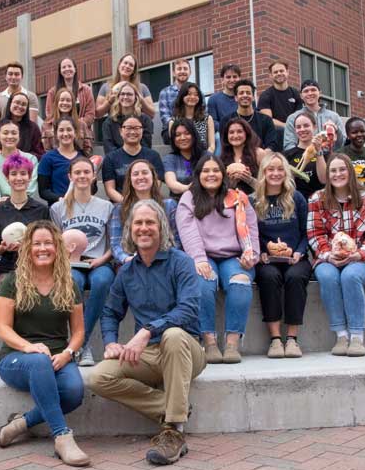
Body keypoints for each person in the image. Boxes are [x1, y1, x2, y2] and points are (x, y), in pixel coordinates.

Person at [88, 199, 205, 465]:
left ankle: (173, 431)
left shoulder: (181, 262)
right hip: (149, 355)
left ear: (161, 228)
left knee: (172, 335)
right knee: (99, 377)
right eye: (138, 223)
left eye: (150, 222)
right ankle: (172, 407)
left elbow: (188, 310)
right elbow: (110, 312)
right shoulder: (127, 271)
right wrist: (110, 342)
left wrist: (145, 332)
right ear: (130, 230)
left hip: (185, 351)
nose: (143, 228)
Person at [0, 221, 89, 466]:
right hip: (16, 357)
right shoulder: (13, 281)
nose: (42, 248)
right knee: (38, 360)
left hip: (58, 356)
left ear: (57, 247)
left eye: (48, 243)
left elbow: (78, 331)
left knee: (74, 393)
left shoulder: (69, 282)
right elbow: (3, 329)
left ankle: (21, 423)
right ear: (27, 248)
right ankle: (62, 437)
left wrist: (68, 353)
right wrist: (29, 347)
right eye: (37, 243)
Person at [176, 154, 260, 364]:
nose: (211, 174)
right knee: (203, 281)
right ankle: (209, 342)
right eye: (206, 171)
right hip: (203, 256)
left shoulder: (238, 197)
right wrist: (198, 259)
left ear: (223, 174)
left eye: (215, 170)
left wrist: (252, 255)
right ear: (198, 175)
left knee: (240, 282)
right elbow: (188, 231)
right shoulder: (189, 198)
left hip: (234, 255)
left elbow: (250, 228)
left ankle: (232, 343)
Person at [307, 154, 365, 357]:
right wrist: (327, 255)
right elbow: (315, 234)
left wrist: (359, 254)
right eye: (333, 170)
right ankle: (341, 335)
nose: (337, 174)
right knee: (327, 276)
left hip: (362, 258)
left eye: (342, 169)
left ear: (350, 171)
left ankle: (357, 336)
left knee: (350, 276)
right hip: (328, 257)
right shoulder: (317, 199)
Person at [50, 157, 114, 367]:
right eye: (77, 172)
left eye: (86, 172)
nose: (82, 176)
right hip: (71, 264)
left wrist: (102, 260)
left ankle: (79, 344)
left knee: (103, 281)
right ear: (70, 176)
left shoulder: (106, 206)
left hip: (99, 261)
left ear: (94, 175)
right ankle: (82, 347)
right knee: (72, 282)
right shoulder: (58, 208)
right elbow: (56, 242)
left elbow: (113, 243)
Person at [251, 153, 312, 358]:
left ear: (286, 172)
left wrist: (299, 252)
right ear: (264, 173)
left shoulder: (297, 198)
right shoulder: (254, 200)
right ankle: (276, 339)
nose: (275, 173)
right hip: (267, 259)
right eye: (270, 169)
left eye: (280, 169)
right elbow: (251, 233)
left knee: (295, 277)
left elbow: (307, 232)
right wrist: (261, 252)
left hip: (295, 257)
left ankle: (293, 339)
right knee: (268, 277)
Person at [0, 154, 50, 290]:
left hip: (37, 266)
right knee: (9, 285)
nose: (18, 178)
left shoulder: (41, 210)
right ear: (7, 178)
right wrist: (4, 247)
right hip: (8, 268)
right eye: (13, 174)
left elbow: (50, 243)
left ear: (29, 178)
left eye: (23, 173)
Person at [109, 159, 179, 266]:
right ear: (130, 180)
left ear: (153, 177)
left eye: (145, 173)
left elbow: (176, 239)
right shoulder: (119, 209)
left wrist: (164, 258)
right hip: (131, 262)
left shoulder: (169, 205)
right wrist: (126, 259)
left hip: (165, 262)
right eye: (136, 174)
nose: (141, 177)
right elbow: (115, 244)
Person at [101, 116, 165, 203]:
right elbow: (110, 190)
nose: (132, 131)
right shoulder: (110, 158)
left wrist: (143, 203)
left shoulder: (153, 156)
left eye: (137, 128)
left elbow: (156, 185)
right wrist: (127, 204)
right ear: (120, 131)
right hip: (121, 205)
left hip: (149, 203)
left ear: (142, 130)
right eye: (128, 128)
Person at [0, 120, 39, 204]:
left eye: (14, 133)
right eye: (5, 133)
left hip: (25, 204)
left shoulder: (30, 159)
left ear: (19, 136)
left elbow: (31, 188)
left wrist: (12, 200)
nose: (10, 136)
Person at [284, 79, 345, 151]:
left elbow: (342, 143)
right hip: (303, 157)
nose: (310, 93)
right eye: (306, 91)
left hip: (329, 158)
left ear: (320, 93)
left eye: (313, 90)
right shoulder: (293, 118)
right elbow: (289, 145)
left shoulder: (334, 116)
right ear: (301, 96)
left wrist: (336, 130)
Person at [38, 118, 86, 205]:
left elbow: (92, 190)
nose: (65, 134)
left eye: (69, 130)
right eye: (61, 130)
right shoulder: (47, 158)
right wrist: (62, 200)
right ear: (56, 134)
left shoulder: (83, 157)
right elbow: (43, 191)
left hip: (81, 206)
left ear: (75, 133)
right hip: (58, 208)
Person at [283, 111, 328, 200]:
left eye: (306, 125)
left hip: (319, 201)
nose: (302, 129)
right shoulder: (287, 155)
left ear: (314, 127)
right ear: (295, 130)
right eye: (298, 127)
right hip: (296, 201)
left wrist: (318, 150)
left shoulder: (325, 154)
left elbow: (323, 180)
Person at [95, 53, 155, 119]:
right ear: (119, 65)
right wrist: (109, 101)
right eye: (125, 63)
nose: (127, 66)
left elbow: (152, 114)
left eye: (131, 65)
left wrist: (140, 99)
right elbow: (97, 113)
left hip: (136, 126)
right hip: (113, 126)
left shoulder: (142, 88)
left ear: (133, 71)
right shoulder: (106, 87)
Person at [0, 91, 44, 158]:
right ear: (10, 104)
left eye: (24, 104)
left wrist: (21, 157)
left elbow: (39, 153)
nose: (20, 106)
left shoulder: (33, 128)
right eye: (17, 102)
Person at [224, 79, 278, 151]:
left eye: (248, 93)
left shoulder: (266, 120)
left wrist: (262, 155)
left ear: (253, 97)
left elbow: (272, 144)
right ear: (236, 98)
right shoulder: (226, 120)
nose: (245, 95)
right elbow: (225, 145)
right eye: (241, 93)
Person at [101, 82, 154, 153]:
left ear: (136, 97)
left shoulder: (145, 120)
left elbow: (146, 147)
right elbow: (109, 149)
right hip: (116, 161)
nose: (125, 97)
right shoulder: (109, 122)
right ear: (118, 97)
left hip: (140, 161)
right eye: (122, 94)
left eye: (129, 94)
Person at [44, 57, 96, 128]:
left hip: (82, 134)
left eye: (69, 66)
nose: (67, 69)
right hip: (60, 133)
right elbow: (49, 115)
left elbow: (90, 114)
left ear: (75, 69)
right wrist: (63, 126)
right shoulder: (52, 92)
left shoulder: (86, 90)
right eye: (64, 67)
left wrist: (75, 126)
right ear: (60, 71)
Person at [41, 87, 93, 154]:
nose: (65, 103)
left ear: (73, 104)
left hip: (78, 161)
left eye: (68, 100)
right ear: (57, 102)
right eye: (62, 100)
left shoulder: (82, 124)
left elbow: (88, 148)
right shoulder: (46, 125)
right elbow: (46, 150)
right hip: (55, 162)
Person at [220, 117, 265, 194]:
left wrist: (249, 180)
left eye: (239, 131)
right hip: (231, 201)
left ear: (246, 133)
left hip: (256, 200)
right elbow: (220, 192)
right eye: (231, 132)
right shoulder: (221, 158)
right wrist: (231, 183)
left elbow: (268, 188)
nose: (235, 135)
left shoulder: (259, 153)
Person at [164, 119, 207, 200]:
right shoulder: (170, 159)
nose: (182, 138)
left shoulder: (206, 156)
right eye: (178, 135)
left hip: (204, 199)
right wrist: (188, 188)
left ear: (194, 135)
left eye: (187, 133)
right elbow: (171, 183)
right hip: (178, 201)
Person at [258, 61, 300, 142]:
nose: (279, 73)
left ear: (287, 72)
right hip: (275, 137)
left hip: (295, 136)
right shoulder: (265, 95)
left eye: (281, 71)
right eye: (275, 72)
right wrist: (287, 126)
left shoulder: (295, 93)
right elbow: (268, 120)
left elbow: (300, 116)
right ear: (270, 76)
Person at [168, 81, 214, 153]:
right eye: (189, 94)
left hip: (203, 158)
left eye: (196, 94)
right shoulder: (173, 122)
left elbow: (212, 146)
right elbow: (174, 147)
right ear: (182, 96)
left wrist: (205, 158)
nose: (192, 97)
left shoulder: (207, 119)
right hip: (183, 160)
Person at [158, 59, 192, 144]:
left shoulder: (197, 92)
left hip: (192, 127)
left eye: (185, 68)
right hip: (171, 129)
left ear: (190, 72)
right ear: (173, 73)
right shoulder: (165, 92)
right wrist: (179, 126)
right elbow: (165, 117)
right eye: (179, 69)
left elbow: (202, 113)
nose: (182, 71)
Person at [206, 63, 242, 130]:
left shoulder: (245, 97)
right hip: (222, 133)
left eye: (235, 77)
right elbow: (212, 121)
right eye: (228, 77)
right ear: (222, 79)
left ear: (239, 78)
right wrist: (229, 129)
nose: (231, 80)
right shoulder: (213, 99)